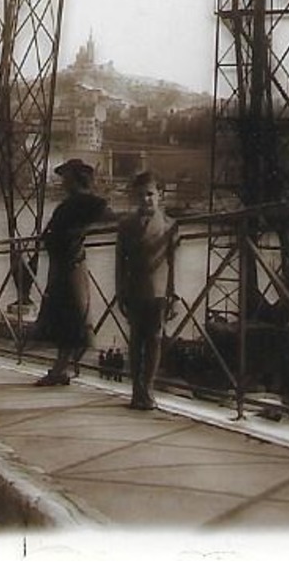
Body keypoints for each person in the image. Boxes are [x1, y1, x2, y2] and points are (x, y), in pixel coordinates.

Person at [33, 159, 113, 386]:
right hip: (63, 265)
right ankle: (61, 368)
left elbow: (108, 216)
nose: (62, 182)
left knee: (69, 317)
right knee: (66, 318)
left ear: (76, 179)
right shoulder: (72, 203)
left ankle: (60, 369)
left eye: (66, 177)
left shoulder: (85, 202)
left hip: (69, 266)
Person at [116, 170, 177, 410]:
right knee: (135, 341)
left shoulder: (170, 225)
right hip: (134, 290)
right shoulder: (126, 225)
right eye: (141, 195)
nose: (146, 200)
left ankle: (148, 389)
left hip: (159, 292)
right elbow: (120, 262)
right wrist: (120, 291)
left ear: (160, 195)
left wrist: (174, 296)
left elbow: (173, 264)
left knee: (155, 339)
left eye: (150, 195)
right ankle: (135, 391)